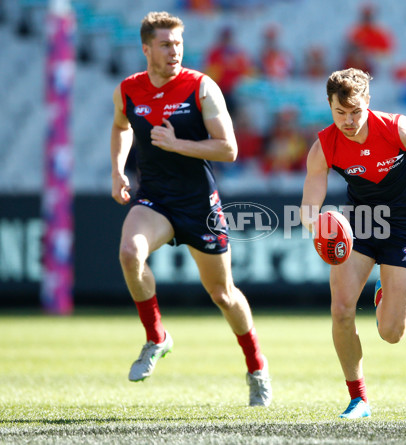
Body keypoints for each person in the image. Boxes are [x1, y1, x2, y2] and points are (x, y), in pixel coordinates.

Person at [110, 11, 272, 407]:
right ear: (146, 49)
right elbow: (121, 126)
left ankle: (256, 367)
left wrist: (177, 143)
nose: (174, 51)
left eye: (178, 44)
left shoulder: (201, 87)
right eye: (165, 45)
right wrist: (117, 170)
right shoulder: (129, 90)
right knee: (130, 253)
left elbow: (229, 149)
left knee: (223, 294)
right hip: (155, 200)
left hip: (199, 204)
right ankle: (156, 337)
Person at [300, 68, 406, 419]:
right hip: (361, 226)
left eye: (356, 111)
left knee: (391, 333)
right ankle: (358, 400)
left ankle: (383, 294)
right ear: (329, 107)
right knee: (341, 309)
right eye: (340, 113)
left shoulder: (395, 128)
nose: (349, 120)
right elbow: (310, 203)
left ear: (368, 102)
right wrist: (314, 225)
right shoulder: (324, 146)